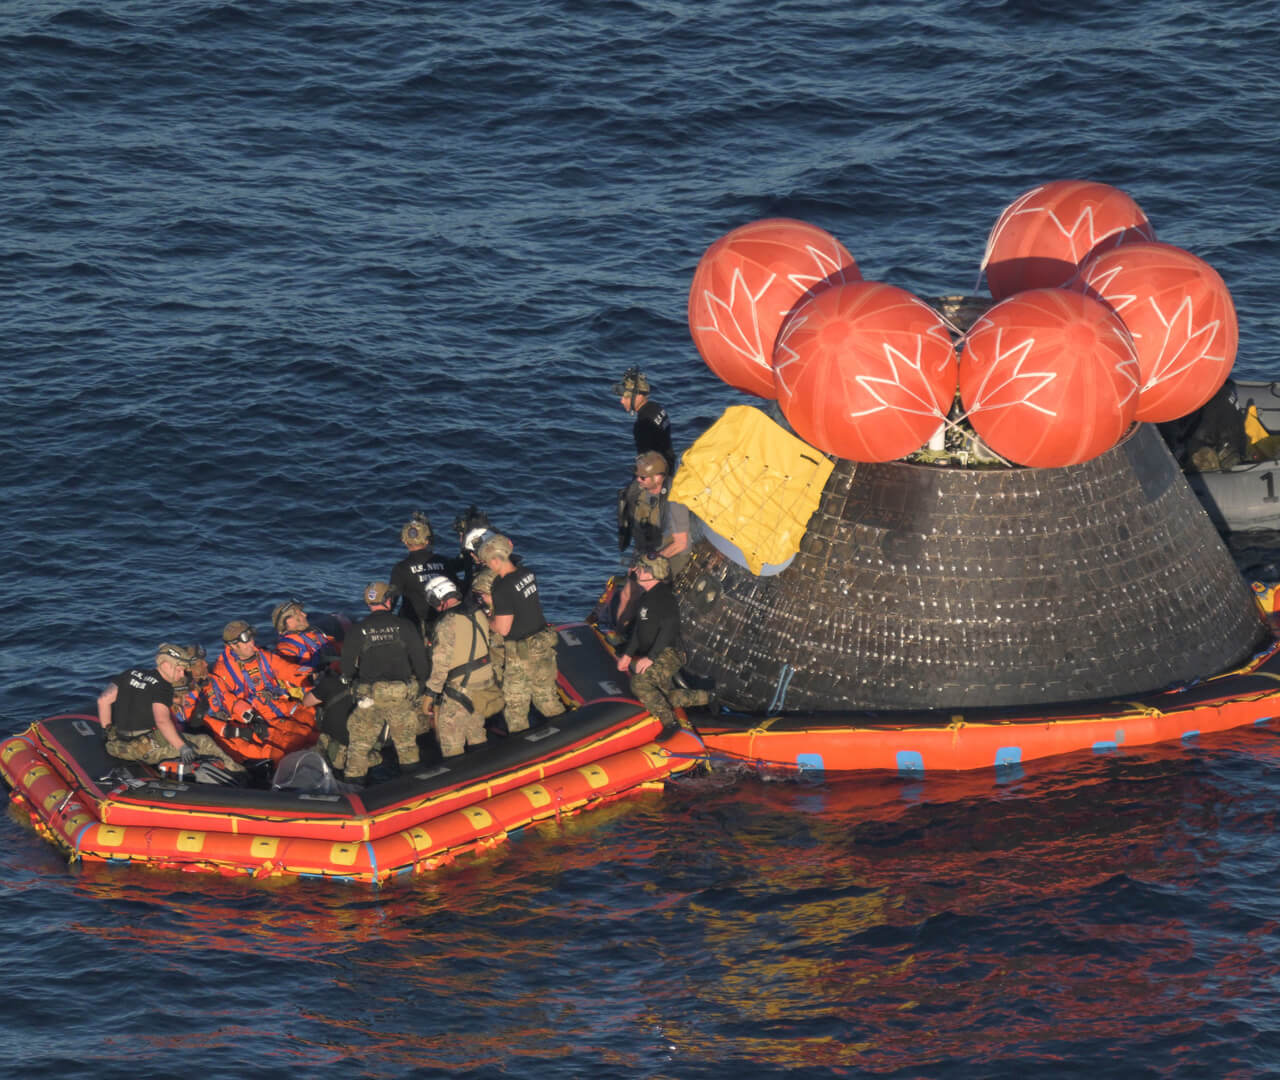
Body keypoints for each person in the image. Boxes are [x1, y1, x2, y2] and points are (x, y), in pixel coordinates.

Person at [97, 644, 243, 772]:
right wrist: (181, 747)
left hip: (116, 746)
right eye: (179, 670)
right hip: (144, 750)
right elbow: (162, 721)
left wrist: (107, 732)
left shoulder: (130, 673)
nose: (182, 675)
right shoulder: (163, 687)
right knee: (205, 742)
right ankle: (240, 775)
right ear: (165, 665)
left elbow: (103, 700)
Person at [340, 581, 431, 783]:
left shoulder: (358, 629)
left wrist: (354, 685)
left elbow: (346, 668)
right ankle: (413, 787)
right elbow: (421, 663)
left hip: (368, 697)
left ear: (368, 603)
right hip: (400, 696)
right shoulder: (405, 626)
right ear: (389, 601)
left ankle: (353, 788)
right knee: (406, 746)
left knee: (359, 748)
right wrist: (421, 687)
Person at [478, 533, 565, 733]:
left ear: (495, 560)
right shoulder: (527, 573)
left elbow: (502, 628)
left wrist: (485, 616)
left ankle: (523, 742)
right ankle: (570, 735)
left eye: (486, 562)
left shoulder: (501, 587)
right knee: (546, 698)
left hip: (521, 652)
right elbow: (519, 601)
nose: (487, 566)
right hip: (542, 643)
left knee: (515, 708)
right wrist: (497, 602)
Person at [614, 555, 711, 731]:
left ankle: (670, 724)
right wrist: (627, 654)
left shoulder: (664, 597)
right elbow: (639, 631)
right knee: (664, 697)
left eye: (641, 569)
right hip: (656, 651)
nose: (637, 572)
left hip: (669, 652)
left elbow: (669, 628)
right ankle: (707, 698)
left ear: (651, 574)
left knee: (640, 684)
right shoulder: (646, 597)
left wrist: (650, 658)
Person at [209, 620, 317, 759]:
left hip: (280, 705)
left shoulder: (263, 657)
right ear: (233, 645)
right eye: (246, 641)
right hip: (260, 719)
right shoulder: (223, 671)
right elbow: (226, 701)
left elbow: (288, 670)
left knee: (313, 717)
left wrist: (313, 675)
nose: (252, 643)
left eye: (252, 638)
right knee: (296, 739)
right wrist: (252, 717)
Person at [421, 575, 502, 757]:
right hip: (484, 684)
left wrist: (430, 694)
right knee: (477, 733)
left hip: (460, 690)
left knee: (451, 743)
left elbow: (440, 666)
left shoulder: (446, 623)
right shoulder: (479, 613)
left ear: (437, 599)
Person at [612, 450, 694, 629]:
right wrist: (638, 557)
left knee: (644, 594)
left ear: (657, 478)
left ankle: (641, 634)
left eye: (643, 477)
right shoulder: (638, 490)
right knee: (627, 593)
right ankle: (619, 631)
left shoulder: (674, 501)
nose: (638, 480)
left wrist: (648, 562)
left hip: (670, 552)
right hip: (647, 547)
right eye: (637, 476)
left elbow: (680, 543)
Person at [390, 512, 464, 639]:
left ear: (404, 541)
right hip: (444, 624)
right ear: (427, 540)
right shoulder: (443, 561)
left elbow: (391, 602)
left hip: (414, 628)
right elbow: (457, 590)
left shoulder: (401, 568)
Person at [613, 367, 674, 473]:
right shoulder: (658, 409)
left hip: (658, 473)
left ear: (639, 397)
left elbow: (646, 460)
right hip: (671, 464)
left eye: (626, 397)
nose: (621, 401)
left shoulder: (642, 424)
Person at [270, 599, 337, 684]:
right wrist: (312, 675)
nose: (305, 614)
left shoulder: (314, 634)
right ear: (289, 621)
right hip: (320, 685)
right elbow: (287, 673)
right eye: (300, 613)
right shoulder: (285, 648)